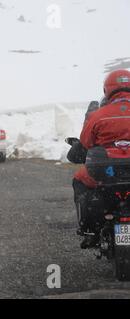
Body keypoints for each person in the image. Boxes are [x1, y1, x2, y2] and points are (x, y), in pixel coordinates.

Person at [70, 69, 130, 249]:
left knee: (79, 179)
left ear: (107, 90)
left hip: (108, 174)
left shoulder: (99, 115)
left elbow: (86, 143)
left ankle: (90, 230)